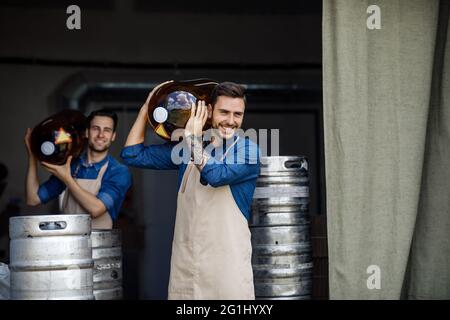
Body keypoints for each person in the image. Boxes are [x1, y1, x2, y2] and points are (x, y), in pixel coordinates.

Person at [121, 81, 260, 299]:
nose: (231, 121)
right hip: (188, 268)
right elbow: (132, 154)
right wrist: (145, 109)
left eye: (237, 114)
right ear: (209, 110)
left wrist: (192, 138)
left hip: (226, 272)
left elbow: (215, 175)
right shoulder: (187, 149)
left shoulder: (249, 150)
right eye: (224, 112)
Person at [25, 109, 131, 229]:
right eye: (95, 128)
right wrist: (32, 156)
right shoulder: (71, 165)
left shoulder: (118, 171)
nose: (101, 135)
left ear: (113, 136)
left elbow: (96, 209)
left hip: (99, 245)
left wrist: (67, 179)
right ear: (86, 132)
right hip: (69, 242)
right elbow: (33, 199)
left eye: (107, 130)